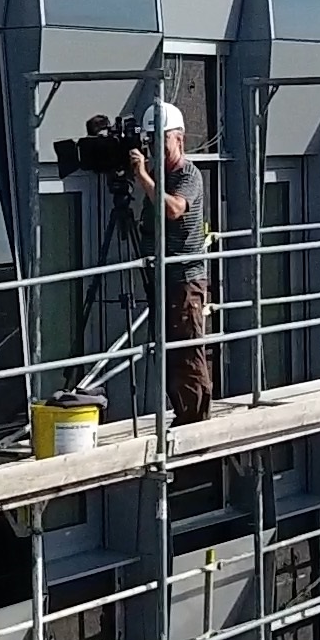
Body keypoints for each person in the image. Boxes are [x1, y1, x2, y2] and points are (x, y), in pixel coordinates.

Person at [125, 101, 215, 425]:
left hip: (184, 279)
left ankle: (195, 416)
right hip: (162, 278)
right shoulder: (156, 173)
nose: (155, 150)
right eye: (151, 142)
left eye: (161, 141)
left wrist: (143, 177)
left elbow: (174, 208)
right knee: (169, 350)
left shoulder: (187, 174)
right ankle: (182, 410)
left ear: (179, 139)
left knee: (187, 350)